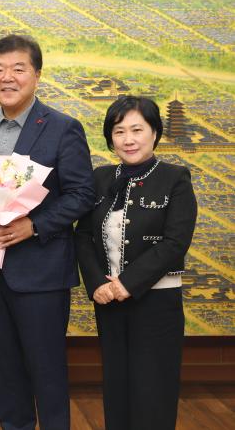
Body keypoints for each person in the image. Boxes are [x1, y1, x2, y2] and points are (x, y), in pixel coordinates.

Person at [0, 34, 95, 429]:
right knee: (4, 370)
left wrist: (33, 226)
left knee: (47, 370)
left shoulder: (63, 128)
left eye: (18, 69)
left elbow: (83, 193)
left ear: (36, 75)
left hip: (40, 273)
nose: (7, 77)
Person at [75, 96, 197, 430]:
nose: (128, 139)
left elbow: (175, 242)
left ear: (154, 132)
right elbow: (82, 236)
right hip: (108, 301)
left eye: (137, 130)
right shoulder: (100, 178)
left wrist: (127, 284)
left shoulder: (175, 178)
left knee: (153, 390)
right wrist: (96, 284)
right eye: (119, 132)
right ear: (110, 138)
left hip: (157, 302)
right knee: (117, 388)